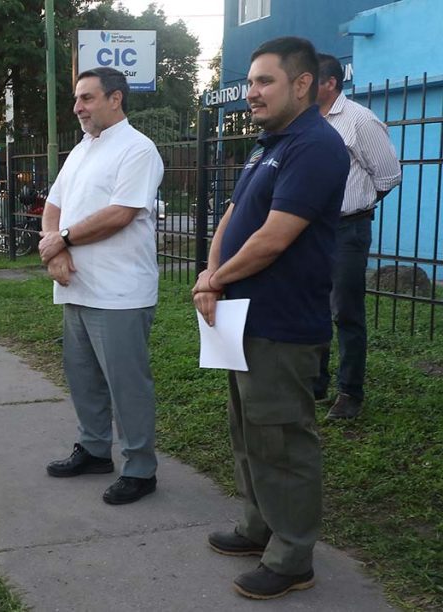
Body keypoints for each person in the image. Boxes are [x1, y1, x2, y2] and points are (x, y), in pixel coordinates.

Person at [192, 37, 349, 599]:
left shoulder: (316, 147)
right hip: (240, 313)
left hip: (282, 322)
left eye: (265, 82)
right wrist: (212, 277)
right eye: (251, 82)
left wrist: (216, 279)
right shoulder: (268, 145)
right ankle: (259, 524)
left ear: (301, 84)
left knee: (282, 437)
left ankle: (292, 555)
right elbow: (233, 216)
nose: (251, 93)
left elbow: (274, 238)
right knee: (247, 428)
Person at [38, 67, 164, 506]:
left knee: (126, 383)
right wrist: (55, 249)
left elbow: (121, 213)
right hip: (77, 286)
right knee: (83, 376)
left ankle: (140, 468)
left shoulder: (138, 150)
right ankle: (94, 450)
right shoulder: (81, 150)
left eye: (87, 98)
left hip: (120, 292)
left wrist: (65, 240)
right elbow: (53, 205)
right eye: (76, 99)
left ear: (116, 98)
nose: (78, 108)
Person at [314, 53, 402, 420]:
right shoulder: (305, 121)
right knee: (312, 305)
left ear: (330, 82)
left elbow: (388, 176)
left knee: (346, 311)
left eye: (308, 78)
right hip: (310, 230)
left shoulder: (359, 121)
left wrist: (356, 203)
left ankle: (350, 392)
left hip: (348, 228)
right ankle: (315, 382)